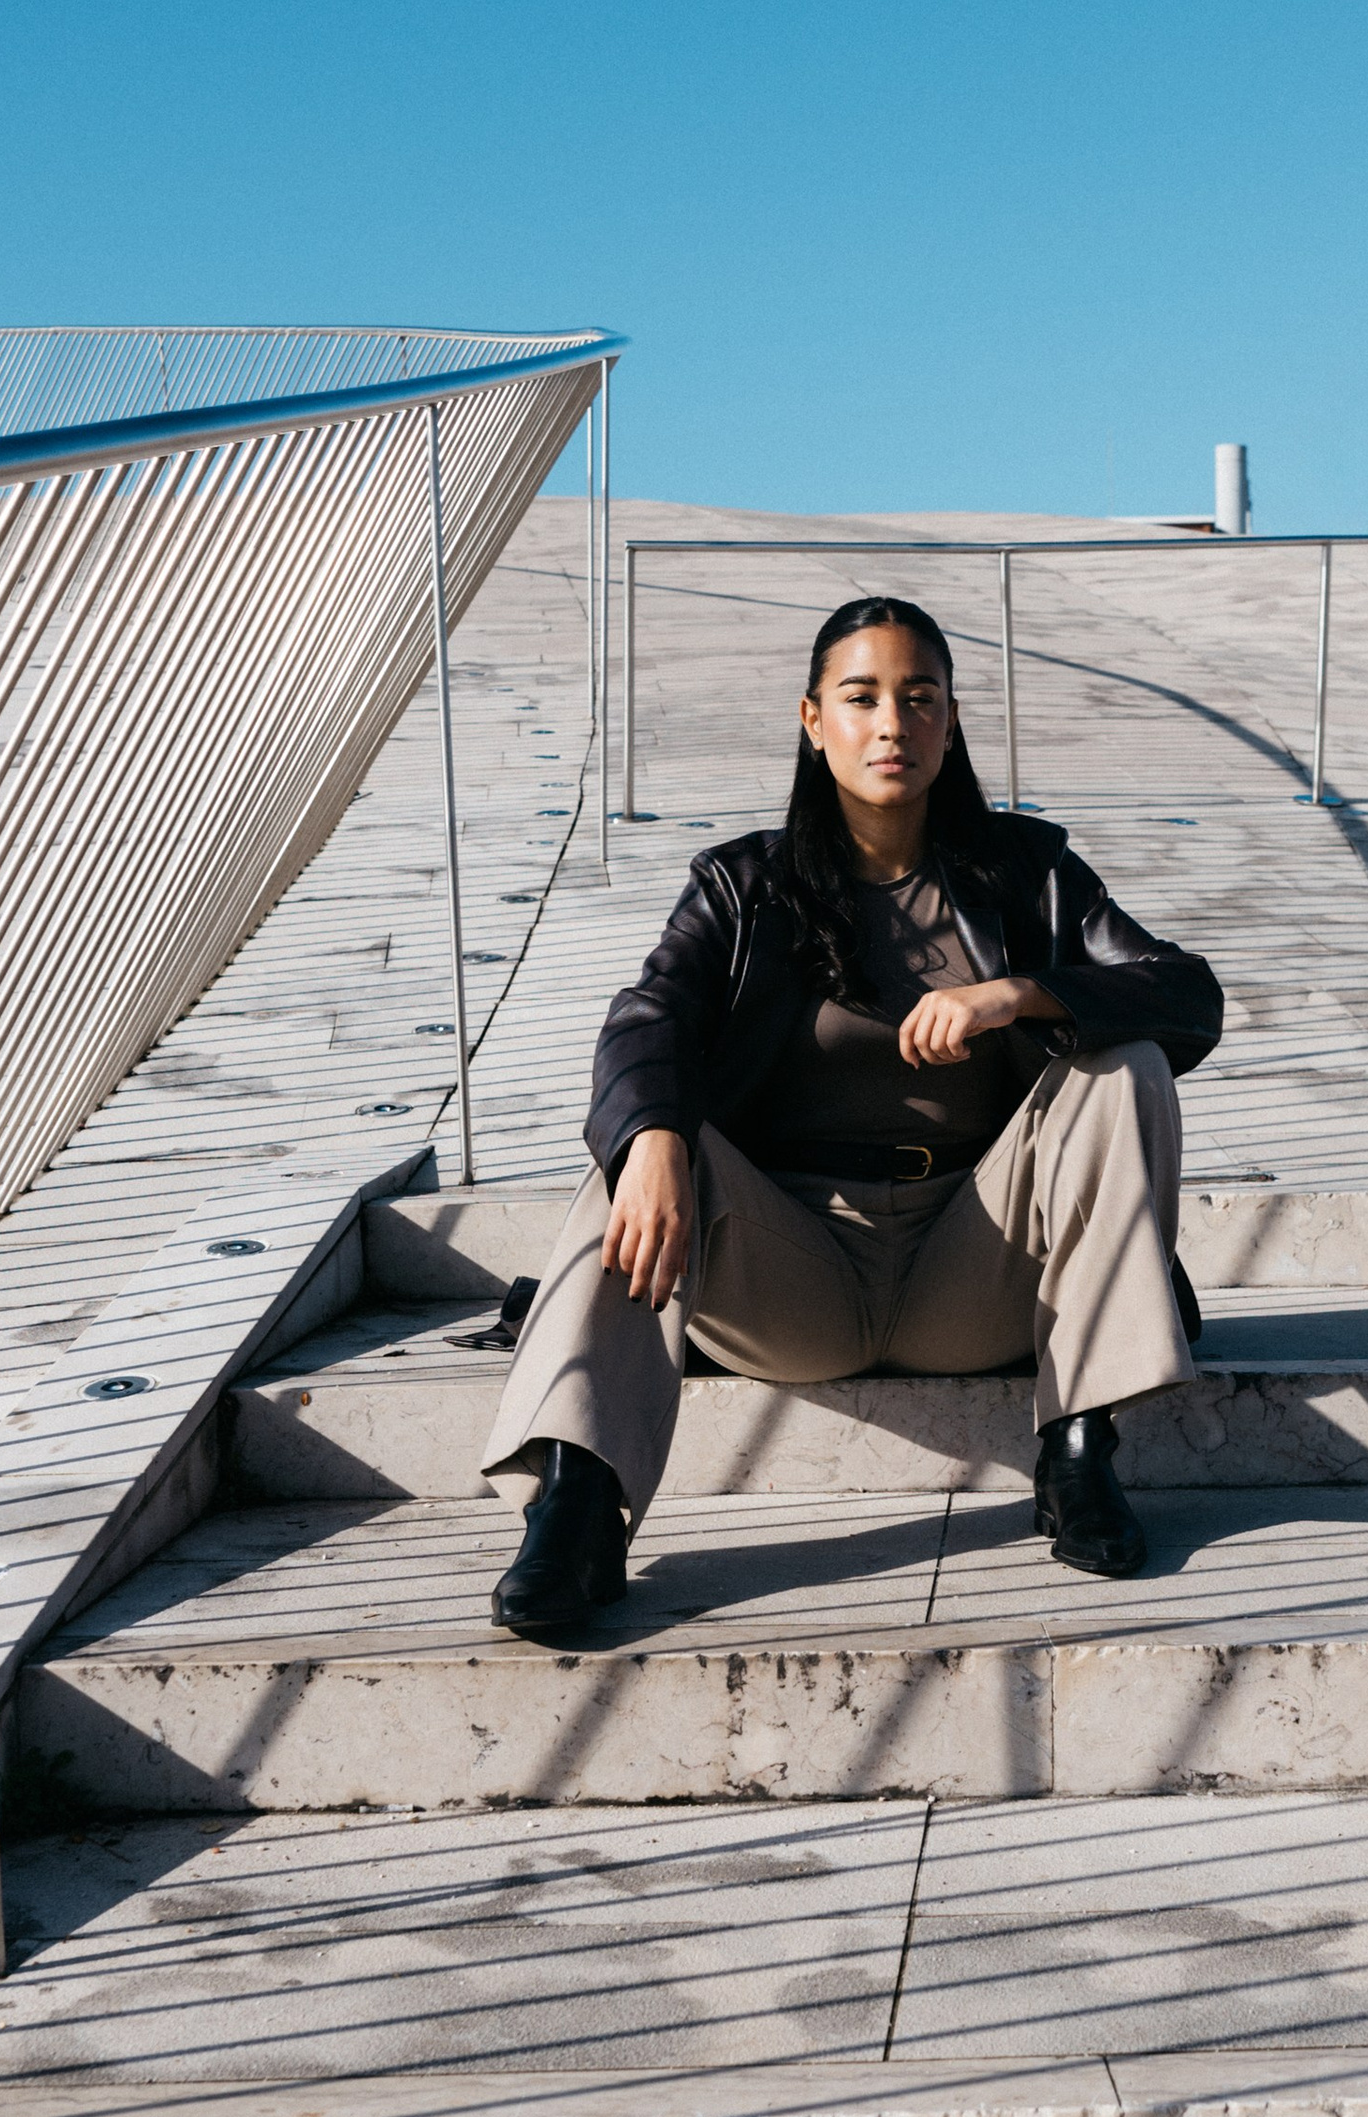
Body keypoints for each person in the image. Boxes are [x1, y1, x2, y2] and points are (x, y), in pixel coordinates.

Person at [483, 593, 1225, 1640]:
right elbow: (650, 1014)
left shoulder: (1028, 873)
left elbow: (1183, 990)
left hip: (977, 1263)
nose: (892, 723)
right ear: (811, 717)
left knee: (1127, 1065)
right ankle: (575, 1507)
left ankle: (1078, 1453)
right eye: (863, 696)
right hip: (796, 1271)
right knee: (647, 1145)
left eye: (919, 698)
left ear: (951, 720)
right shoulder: (745, 886)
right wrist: (648, 1138)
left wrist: (1019, 992)